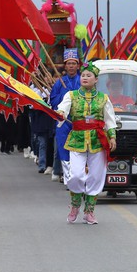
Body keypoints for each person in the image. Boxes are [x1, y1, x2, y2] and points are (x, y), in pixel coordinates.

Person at [56, 61, 117, 224]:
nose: (85, 77)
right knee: (75, 175)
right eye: (83, 75)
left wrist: (112, 137)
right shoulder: (71, 95)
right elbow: (63, 108)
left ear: (96, 79)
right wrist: (61, 113)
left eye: (89, 75)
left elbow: (110, 120)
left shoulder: (104, 98)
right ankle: (75, 205)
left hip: (98, 141)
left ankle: (89, 211)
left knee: (96, 177)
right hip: (77, 140)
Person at [49, 48, 81, 183]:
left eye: (74, 63)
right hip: (63, 120)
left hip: (79, 120)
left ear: (78, 65)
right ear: (65, 65)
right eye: (69, 63)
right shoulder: (59, 83)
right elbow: (53, 101)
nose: (71, 66)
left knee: (78, 149)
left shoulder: (83, 80)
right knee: (63, 148)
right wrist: (65, 96)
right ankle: (68, 178)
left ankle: (77, 176)